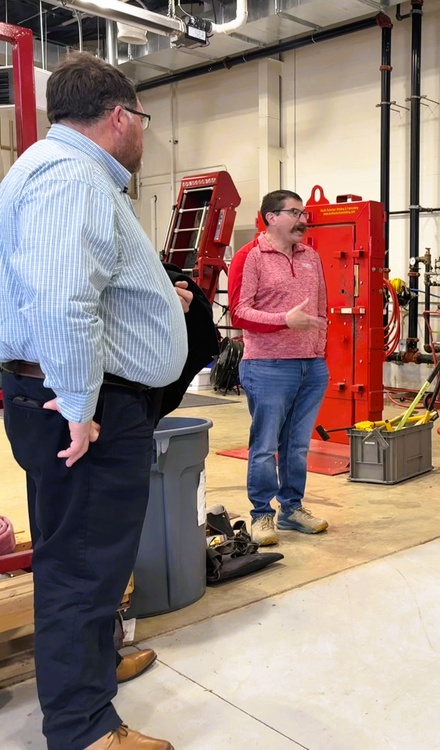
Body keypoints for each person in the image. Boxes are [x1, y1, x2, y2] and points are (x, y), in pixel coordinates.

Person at [0, 53, 184, 750]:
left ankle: (94, 667)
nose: (143, 132)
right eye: (141, 119)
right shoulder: (73, 177)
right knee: (81, 564)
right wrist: (79, 405)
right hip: (84, 408)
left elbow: (80, 286)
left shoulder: (54, 170)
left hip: (78, 397)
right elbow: (62, 298)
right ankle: (82, 728)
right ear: (118, 117)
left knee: (85, 554)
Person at [228, 190, 330, 546]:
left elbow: (321, 309)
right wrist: (284, 320)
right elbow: (239, 312)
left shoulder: (311, 256)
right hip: (268, 366)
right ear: (271, 217)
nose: (303, 220)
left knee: (298, 446)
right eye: (294, 213)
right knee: (265, 446)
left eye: (303, 213)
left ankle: (292, 509)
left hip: (311, 367)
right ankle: (261, 515)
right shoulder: (250, 256)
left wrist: (319, 354)